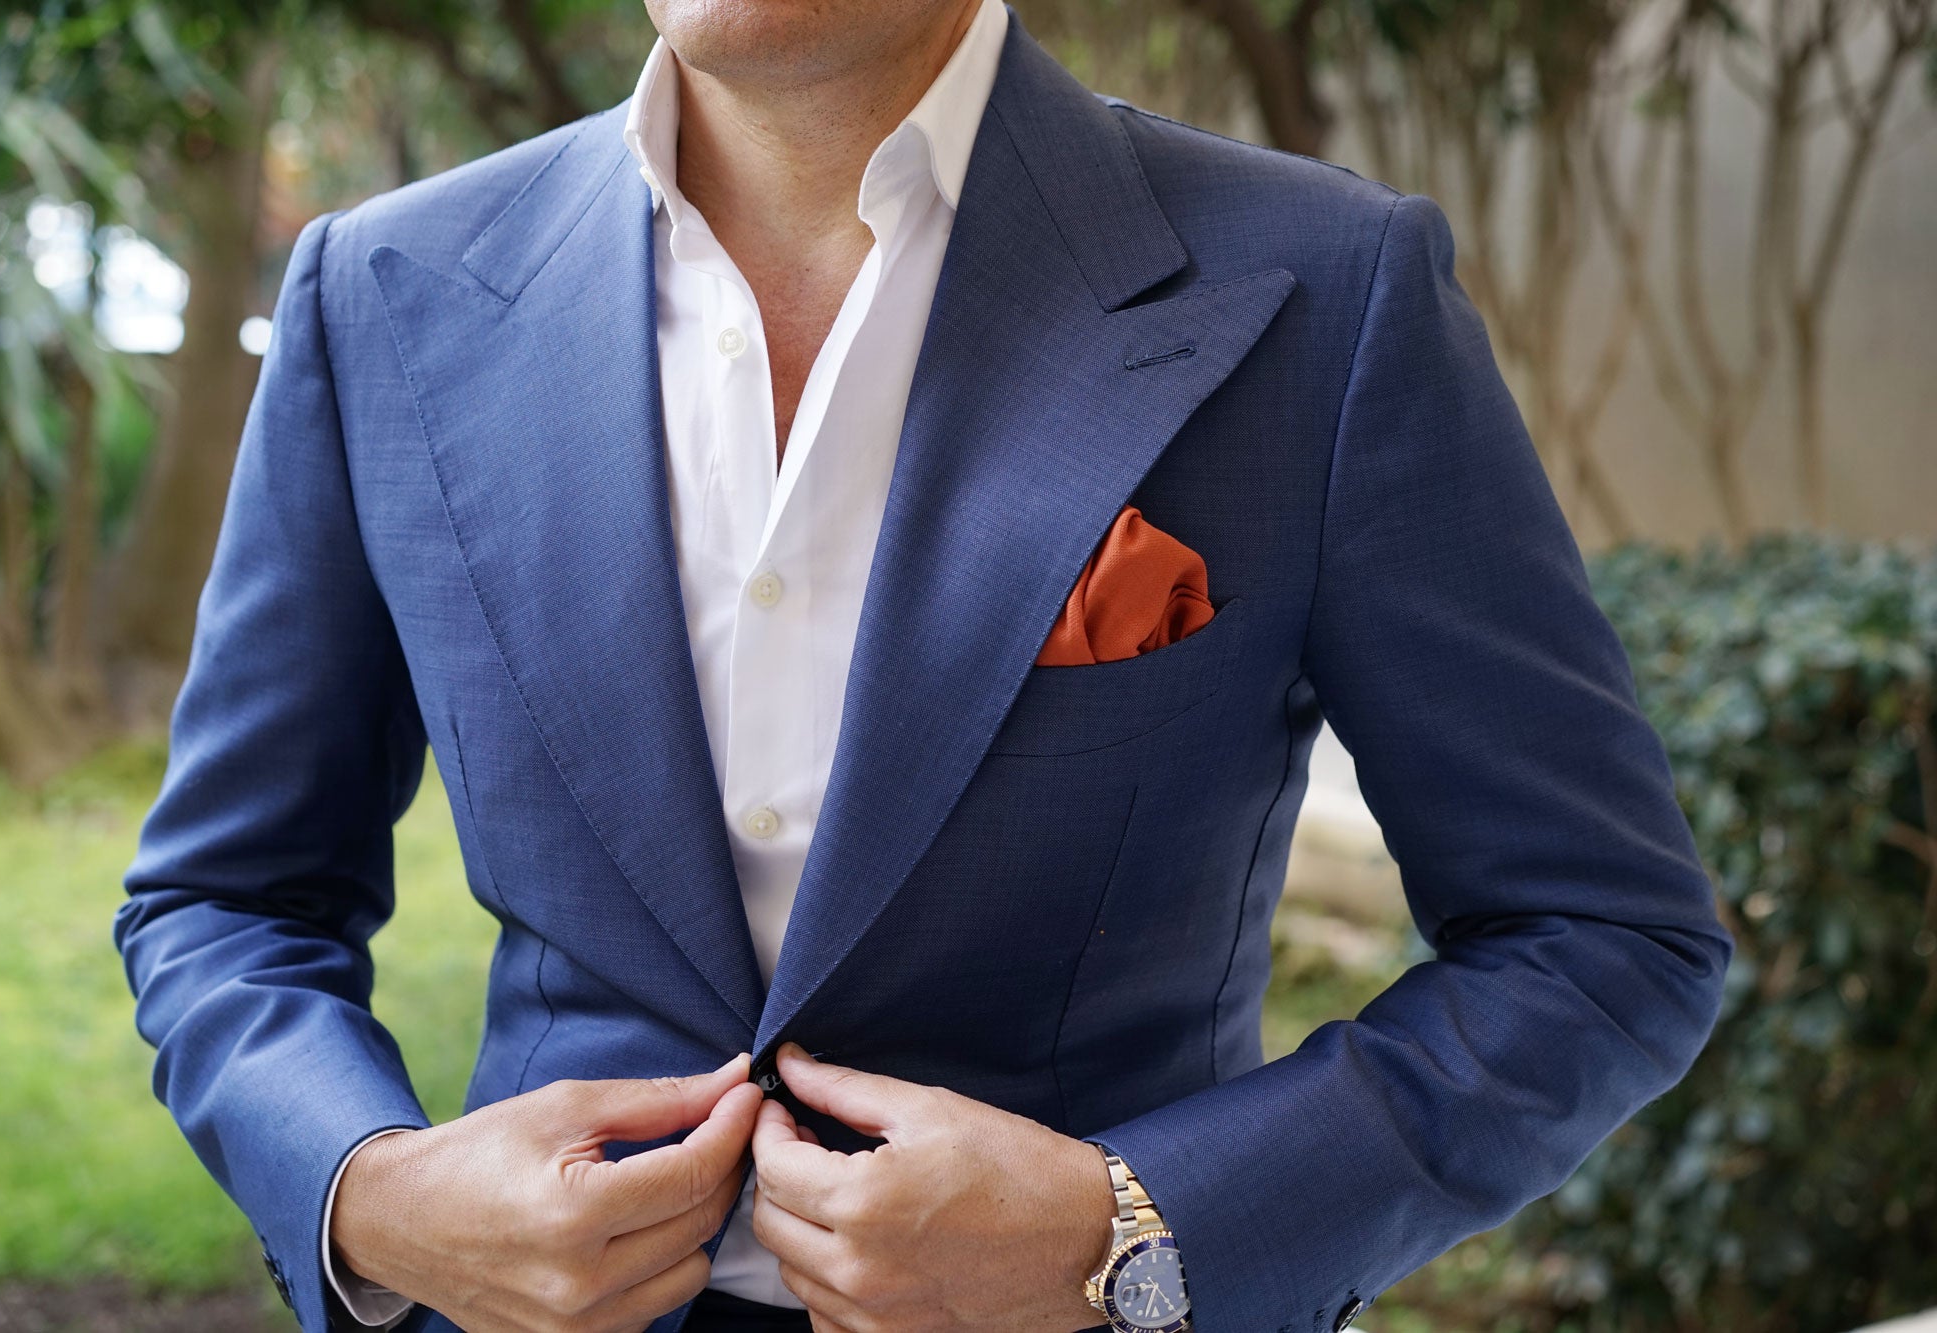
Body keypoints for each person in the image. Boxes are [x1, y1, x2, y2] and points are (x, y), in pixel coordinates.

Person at [114, 1, 1734, 1331]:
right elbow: (225, 899)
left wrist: (1133, 1233)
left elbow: (1602, 933)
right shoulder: (380, 298)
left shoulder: (1328, 291)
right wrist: (371, 1191)